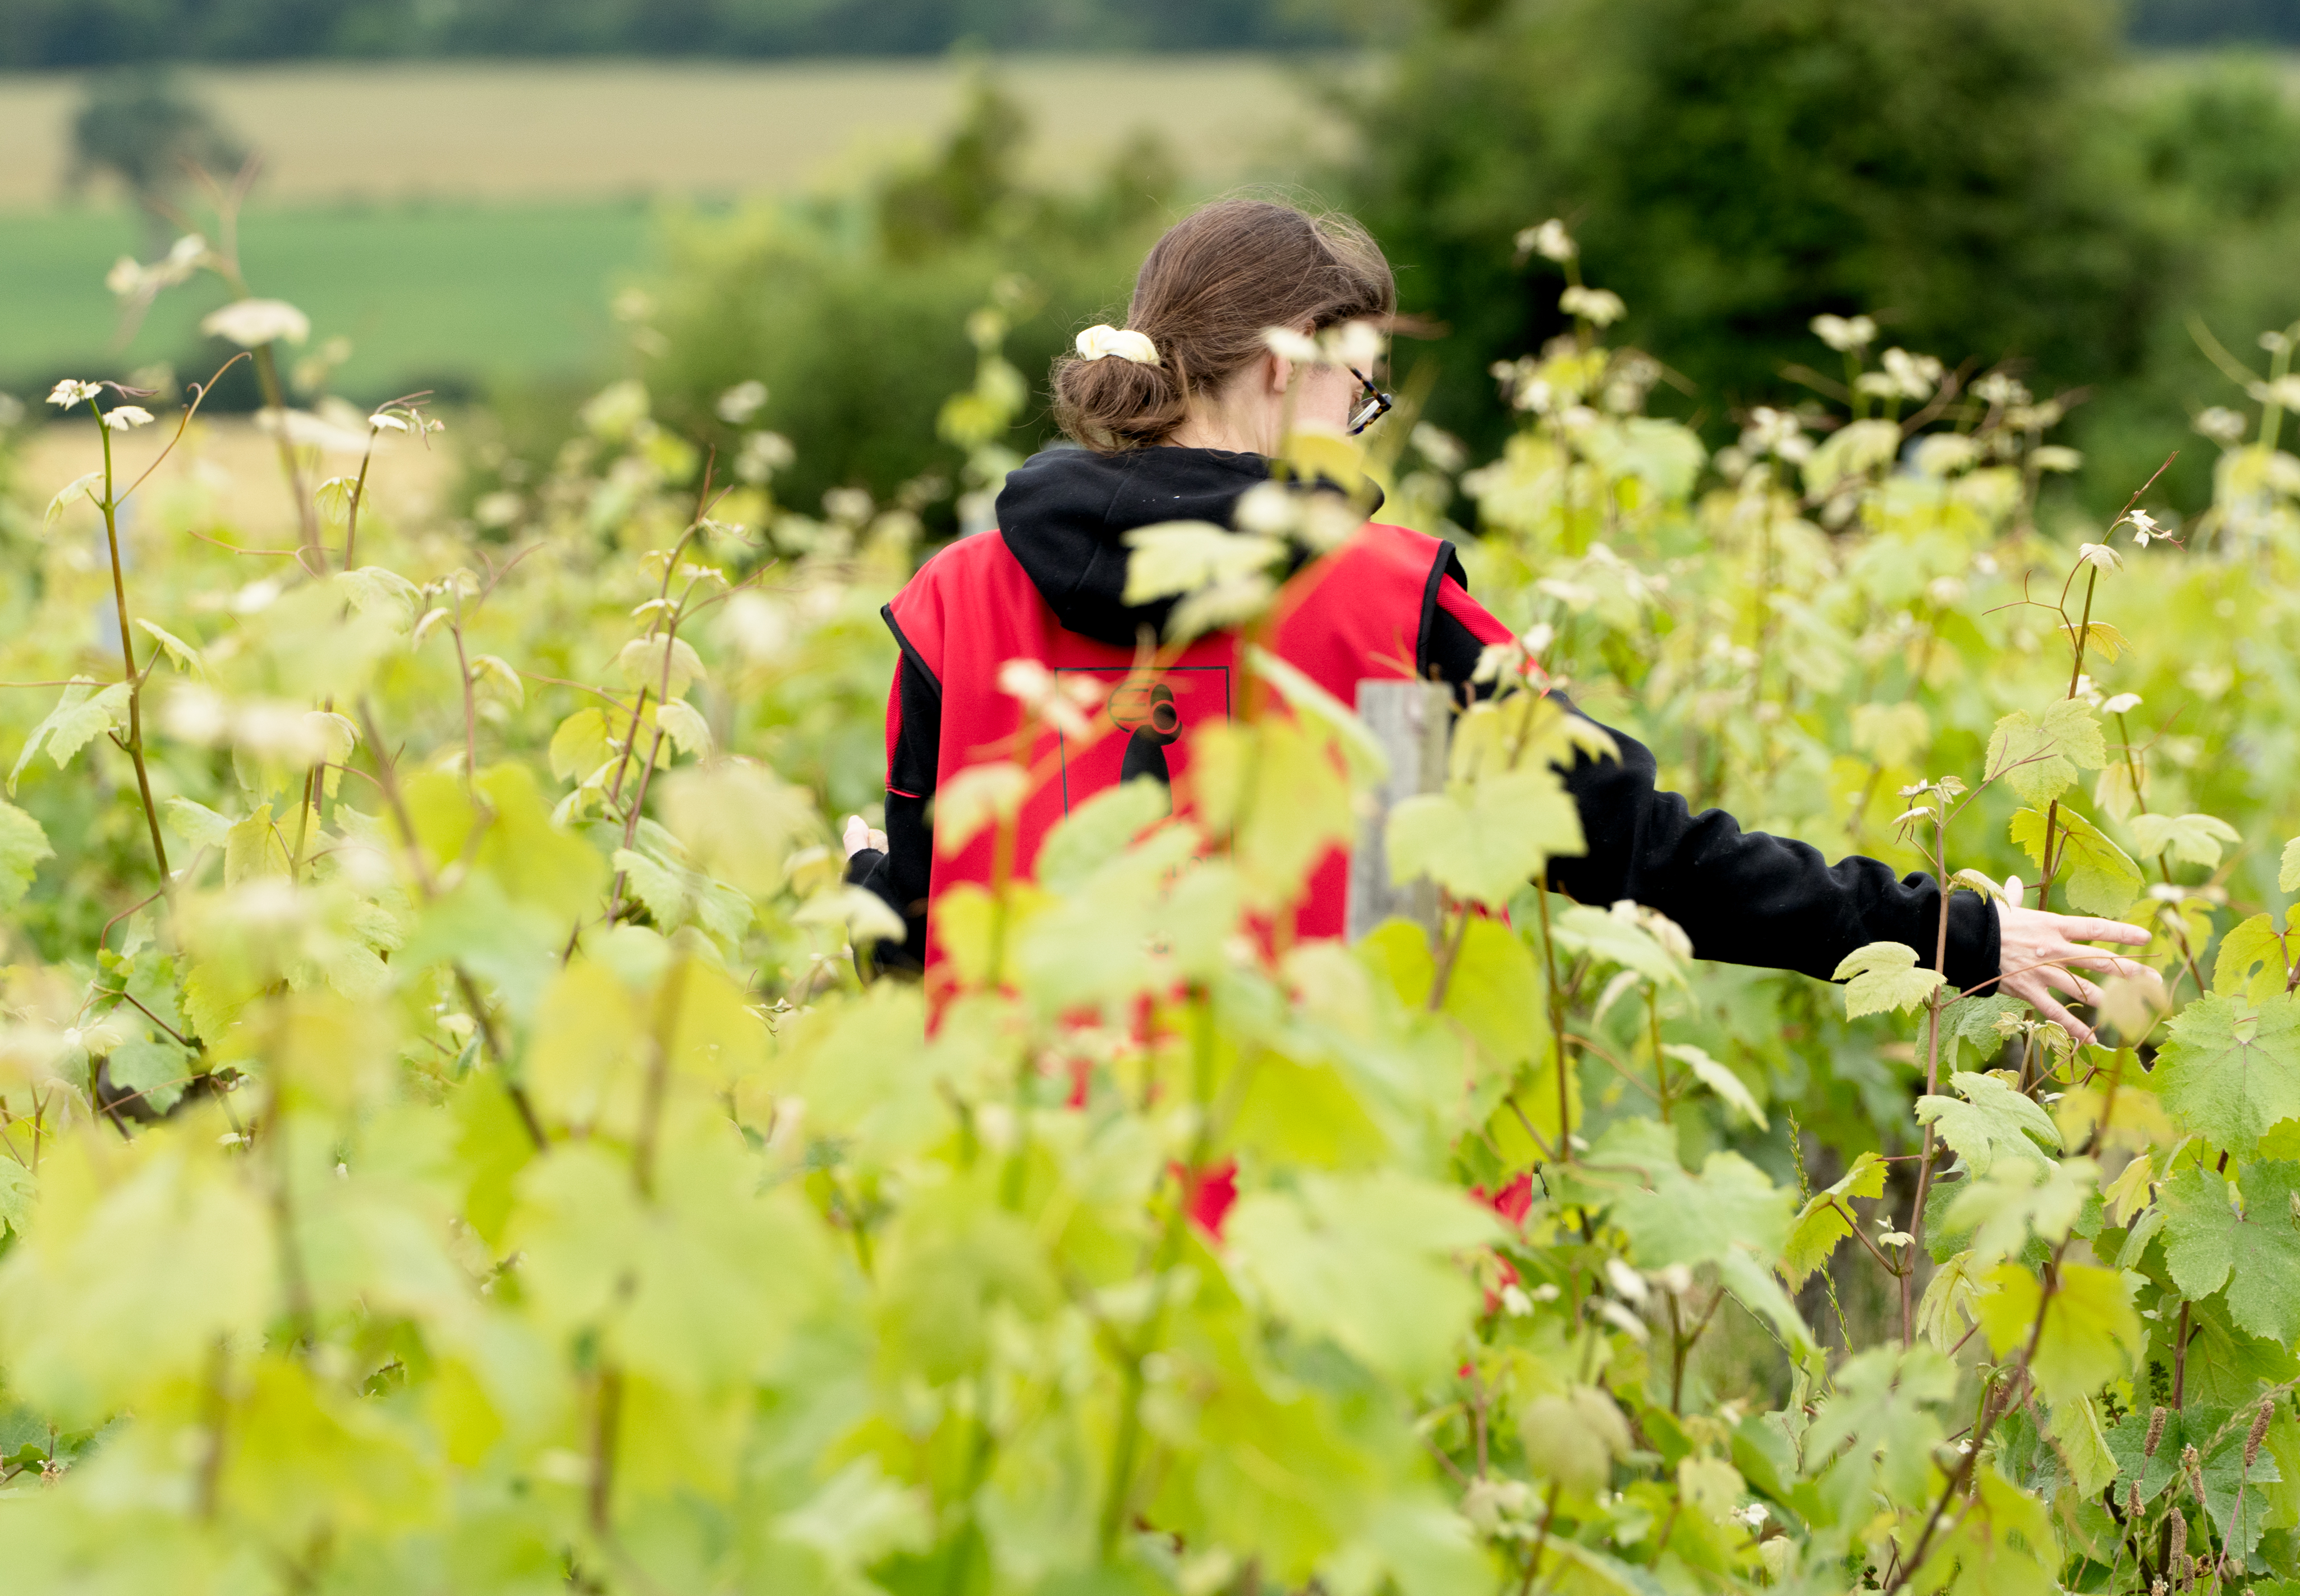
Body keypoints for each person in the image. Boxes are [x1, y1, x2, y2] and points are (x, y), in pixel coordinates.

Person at [839, 197, 2143, 1041]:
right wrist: (1948, 932)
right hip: (1334, 1233)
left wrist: (867, 896)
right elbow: (1632, 848)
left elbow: (918, 941)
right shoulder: (1383, 599)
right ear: (1288, 362)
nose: (1363, 427)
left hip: (1038, 1262)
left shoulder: (952, 601)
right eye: (1362, 388)